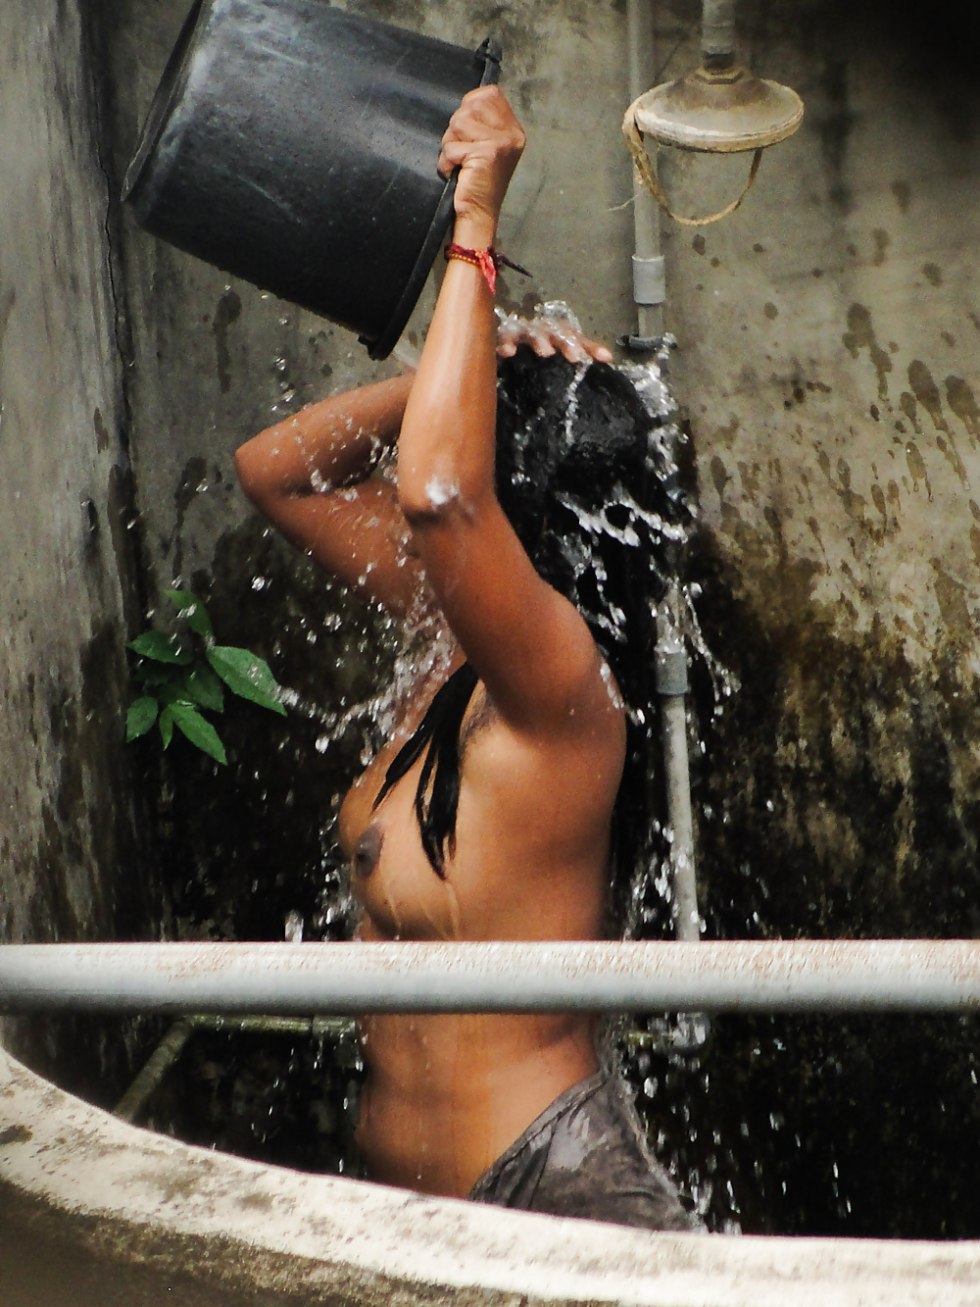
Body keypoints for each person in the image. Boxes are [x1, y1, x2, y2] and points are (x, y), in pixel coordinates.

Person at [234, 85, 697, 1231]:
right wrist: (478, 354)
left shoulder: (564, 691)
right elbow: (273, 470)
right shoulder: (455, 644)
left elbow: (439, 489)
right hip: (416, 1206)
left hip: (552, 1191)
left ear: (520, 502)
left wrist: (474, 233)